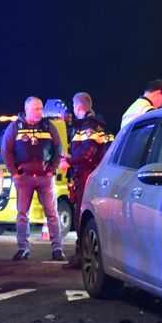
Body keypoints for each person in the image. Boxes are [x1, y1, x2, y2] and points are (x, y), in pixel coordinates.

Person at [2, 97, 64, 261]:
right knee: (22, 215)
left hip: (45, 178)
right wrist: (14, 173)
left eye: (41, 108)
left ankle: (57, 249)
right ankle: (23, 249)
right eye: (36, 109)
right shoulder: (15, 127)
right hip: (24, 178)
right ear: (26, 109)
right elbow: (5, 151)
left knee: (52, 214)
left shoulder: (48, 126)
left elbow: (59, 148)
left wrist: (52, 169)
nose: (39, 112)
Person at [61, 92, 110, 269]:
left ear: (79, 107)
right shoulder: (93, 125)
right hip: (87, 176)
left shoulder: (90, 126)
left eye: (74, 107)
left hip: (86, 177)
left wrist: (69, 162)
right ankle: (82, 254)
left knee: (81, 217)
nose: (73, 111)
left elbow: (88, 152)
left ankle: (82, 256)